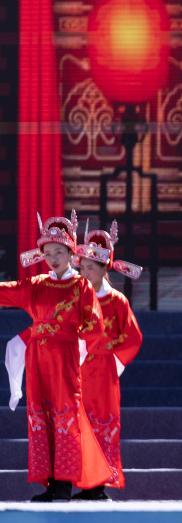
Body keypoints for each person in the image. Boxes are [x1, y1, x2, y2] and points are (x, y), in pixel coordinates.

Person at [0, 211, 110, 501]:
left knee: (66, 415)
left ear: (72, 254)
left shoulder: (80, 286)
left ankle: (64, 482)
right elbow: (7, 292)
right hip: (38, 360)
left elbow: (95, 326)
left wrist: (78, 344)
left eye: (59, 252)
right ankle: (63, 483)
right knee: (42, 415)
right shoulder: (37, 285)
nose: (53, 258)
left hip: (64, 358)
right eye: (48, 253)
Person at [71, 220, 143, 499]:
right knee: (77, 425)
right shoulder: (75, 298)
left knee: (101, 423)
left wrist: (115, 363)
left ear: (104, 269)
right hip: (76, 369)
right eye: (83, 268)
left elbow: (132, 337)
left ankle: (98, 484)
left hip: (103, 372)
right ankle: (83, 481)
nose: (85, 273)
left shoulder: (117, 301)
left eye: (91, 268)